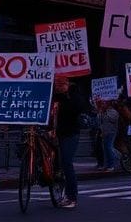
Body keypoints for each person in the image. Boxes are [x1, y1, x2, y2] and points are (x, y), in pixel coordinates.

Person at [52, 76, 86, 209]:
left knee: (67, 162)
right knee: (55, 163)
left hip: (70, 134)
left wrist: (66, 96)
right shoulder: (54, 96)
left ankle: (72, 197)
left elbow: (77, 108)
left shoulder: (74, 95)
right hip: (54, 133)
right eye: (57, 83)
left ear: (68, 83)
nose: (58, 86)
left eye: (62, 83)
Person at [96, 98, 119, 172]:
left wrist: (105, 112)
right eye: (102, 104)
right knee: (105, 149)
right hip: (104, 132)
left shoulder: (113, 111)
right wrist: (100, 111)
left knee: (109, 147)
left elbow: (112, 119)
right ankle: (106, 165)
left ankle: (112, 164)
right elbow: (99, 120)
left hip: (111, 132)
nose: (103, 105)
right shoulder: (102, 112)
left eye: (104, 103)